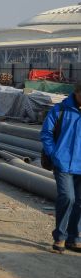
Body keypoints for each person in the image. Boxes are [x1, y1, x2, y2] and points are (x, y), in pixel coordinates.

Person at [40, 81, 81, 254]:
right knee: (67, 197)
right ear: (77, 92)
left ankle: (74, 238)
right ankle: (60, 237)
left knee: (79, 201)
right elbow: (46, 133)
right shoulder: (60, 110)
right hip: (63, 163)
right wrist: (54, 154)